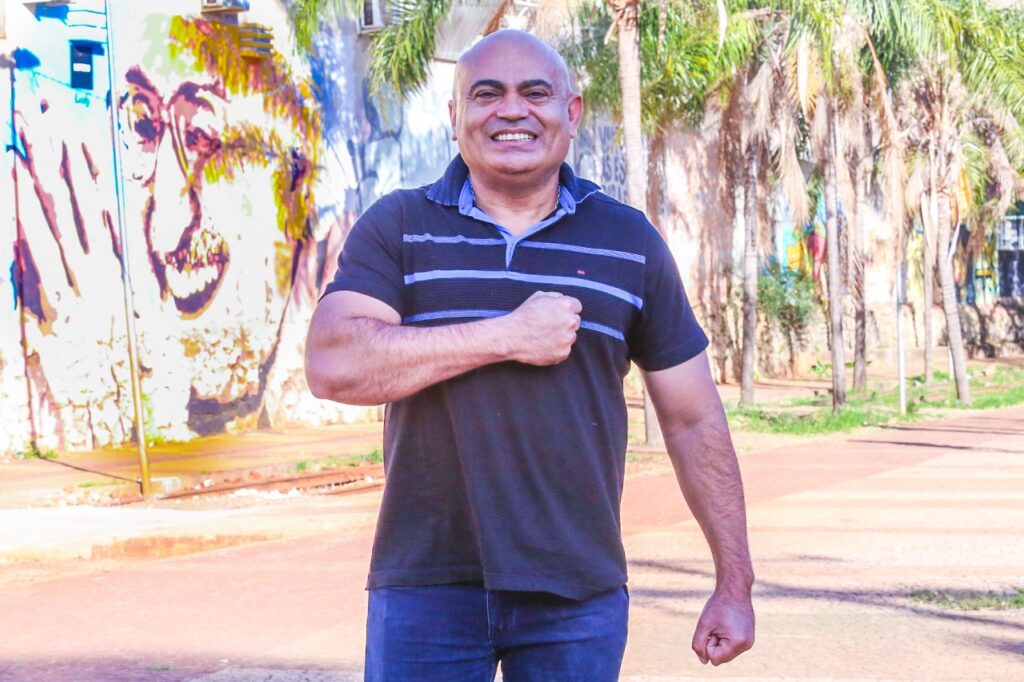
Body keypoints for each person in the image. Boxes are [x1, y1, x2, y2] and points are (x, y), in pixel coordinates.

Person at [305, 29, 754, 681]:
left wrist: (734, 583)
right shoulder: (400, 225)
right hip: (427, 586)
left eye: (535, 93)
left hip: (578, 593)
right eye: (486, 94)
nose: (511, 110)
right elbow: (332, 364)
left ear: (571, 113)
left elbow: (693, 420)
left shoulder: (628, 241)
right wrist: (505, 335)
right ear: (455, 116)